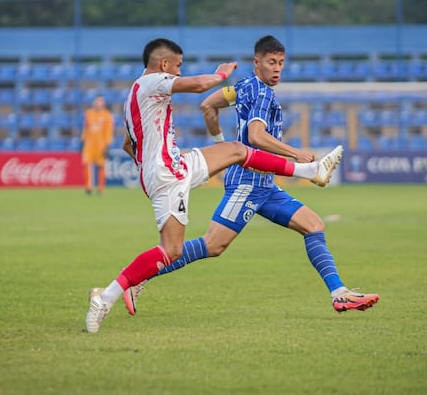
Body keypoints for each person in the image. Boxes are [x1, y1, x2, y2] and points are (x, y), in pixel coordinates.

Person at [85, 38, 343, 333]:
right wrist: (221, 74)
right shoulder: (153, 82)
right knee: (173, 250)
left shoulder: (132, 96)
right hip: (168, 173)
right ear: (164, 65)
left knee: (234, 151)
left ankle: (311, 170)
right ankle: (106, 296)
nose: (178, 74)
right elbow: (198, 88)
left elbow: (127, 144)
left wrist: (152, 166)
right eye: (178, 67)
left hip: (170, 167)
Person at [125, 35, 379, 315]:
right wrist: (294, 153)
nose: (277, 68)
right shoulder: (261, 93)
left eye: (281, 63)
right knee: (213, 245)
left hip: (265, 185)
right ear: (257, 62)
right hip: (247, 182)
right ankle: (136, 279)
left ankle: (339, 293)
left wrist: (221, 140)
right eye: (271, 62)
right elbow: (256, 136)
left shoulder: (243, 86)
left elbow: (208, 105)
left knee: (314, 225)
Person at [81, 95, 114, 195]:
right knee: (86, 163)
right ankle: (88, 187)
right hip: (89, 144)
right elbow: (86, 128)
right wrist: (82, 140)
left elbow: (109, 130)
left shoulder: (107, 115)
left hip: (101, 145)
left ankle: (100, 188)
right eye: (97, 101)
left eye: (101, 102)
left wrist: (107, 144)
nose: (99, 103)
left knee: (101, 166)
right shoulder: (89, 113)